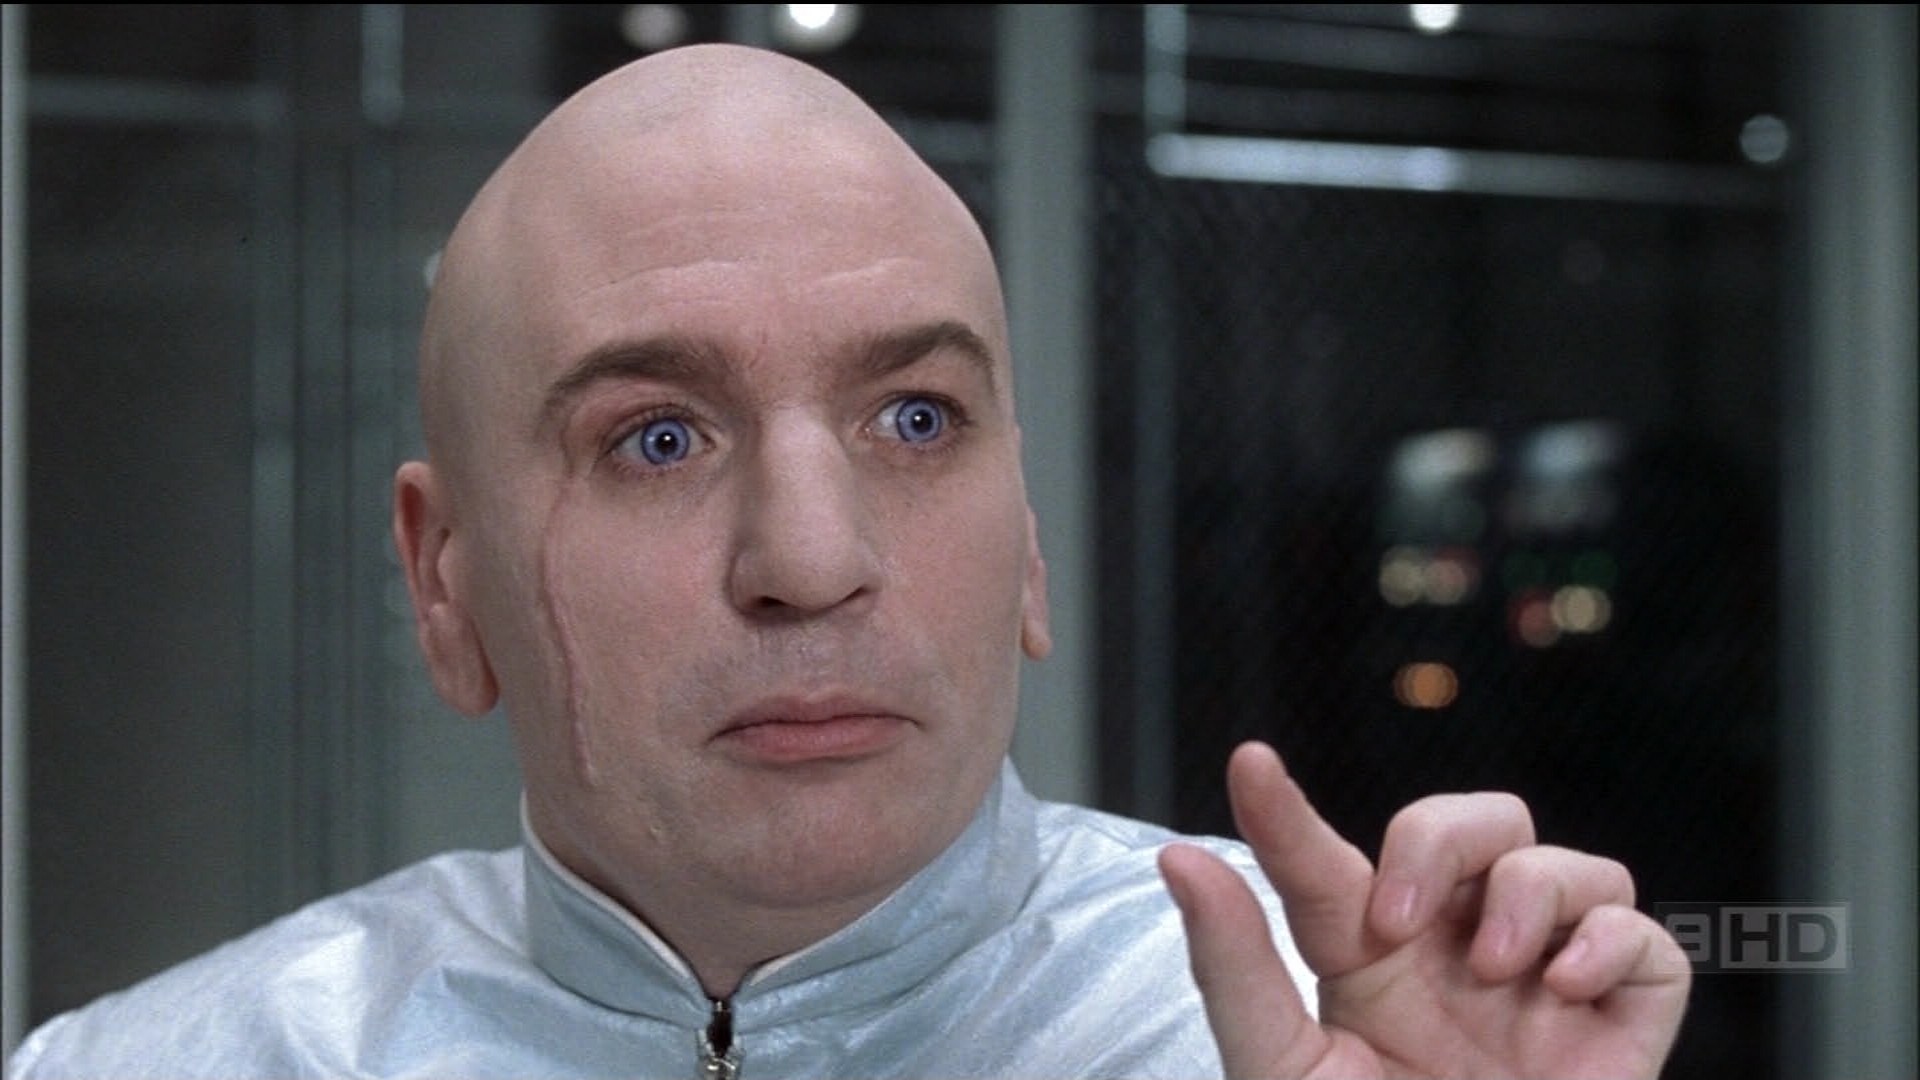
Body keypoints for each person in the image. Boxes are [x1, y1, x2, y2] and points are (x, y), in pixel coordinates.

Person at [6, 43, 1689, 1080]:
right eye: (655, 439)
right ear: (446, 584)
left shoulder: (1337, 1036)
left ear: (1029, 545)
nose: (811, 564)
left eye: (915, 420)